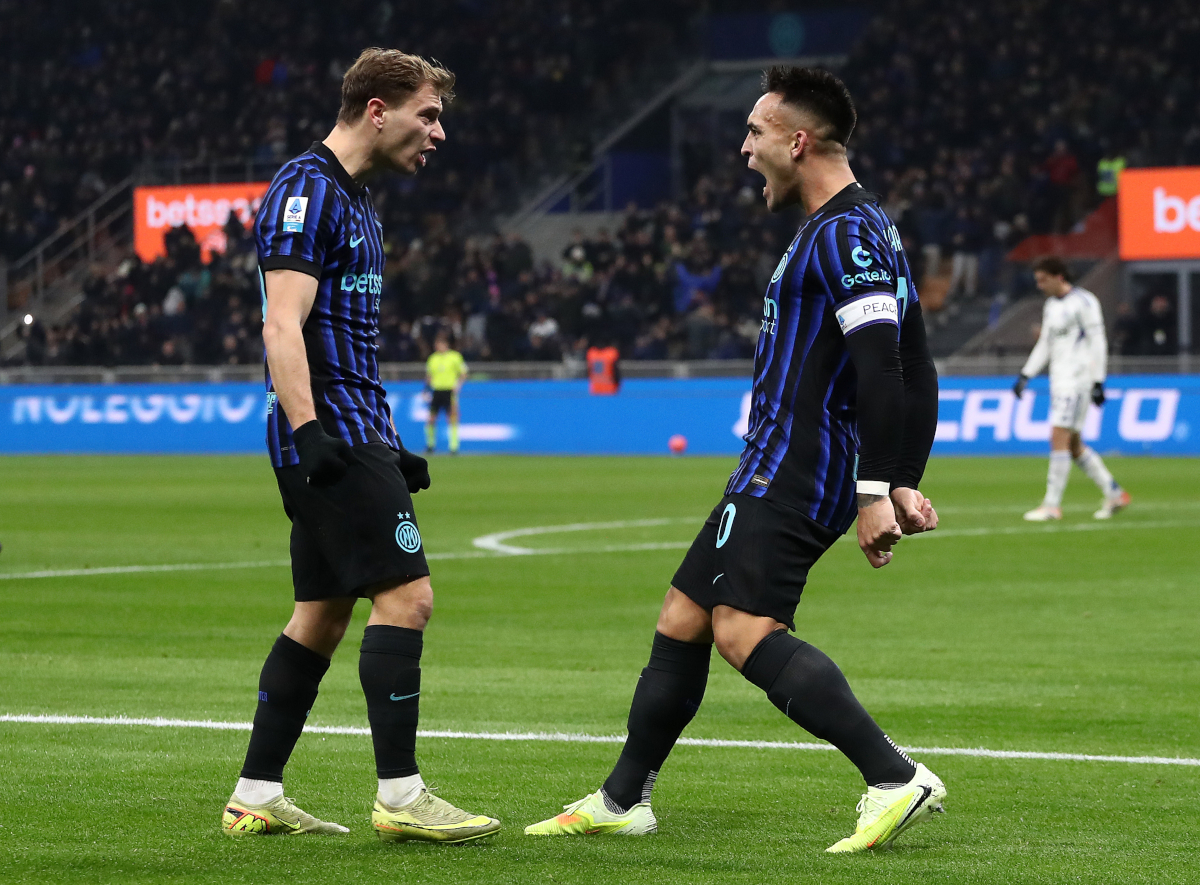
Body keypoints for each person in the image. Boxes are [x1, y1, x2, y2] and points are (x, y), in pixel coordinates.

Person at [525, 66, 945, 854]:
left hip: (801, 465)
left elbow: (886, 365)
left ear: (798, 139)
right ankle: (624, 797)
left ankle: (894, 776)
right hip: (772, 463)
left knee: (745, 629)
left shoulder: (848, 233)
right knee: (682, 617)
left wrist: (874, 490)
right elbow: (921, 366)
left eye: (754, 132)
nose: (744, 148)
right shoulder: (857, 229)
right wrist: (905, 475)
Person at [221, 48, 499, 843]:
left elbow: (344, 340)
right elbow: (283, 325)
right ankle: (402, 794)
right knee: (408, 597)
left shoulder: (358, 202)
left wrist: (394, 440)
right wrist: (312, 434)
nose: (438, 132)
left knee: (319, 613)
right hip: (328, 434)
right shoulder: (306, 190)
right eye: (428, 114)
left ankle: (256, 791)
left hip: (352, 426)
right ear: (377, 109)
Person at [1014, 257, 1130, 521]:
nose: (1040, 286)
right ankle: (1115, 493)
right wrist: (1026, 374)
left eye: (1043, 279)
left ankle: (1052, 505)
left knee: (1058, 436)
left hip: (1077, 380)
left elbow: (1098, 341)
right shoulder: (1051, 306)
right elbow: (1045, 343)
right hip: (1059, 380)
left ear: (1059, 276)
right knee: (1074, 445)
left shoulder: (1084, 302)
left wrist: (1099, 380)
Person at [424, 332, 467, 454]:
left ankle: (454, 446)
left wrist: (458, 386)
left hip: (449, 390)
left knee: (452, 417)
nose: (438, 347)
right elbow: (429, 376)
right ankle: (430, 445)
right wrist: (426, 390)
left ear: (446, 345)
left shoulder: (455, 357)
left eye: (440, 344)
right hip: (436, 391)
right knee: (431, 418)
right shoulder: (433, 358)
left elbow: (463, 374)